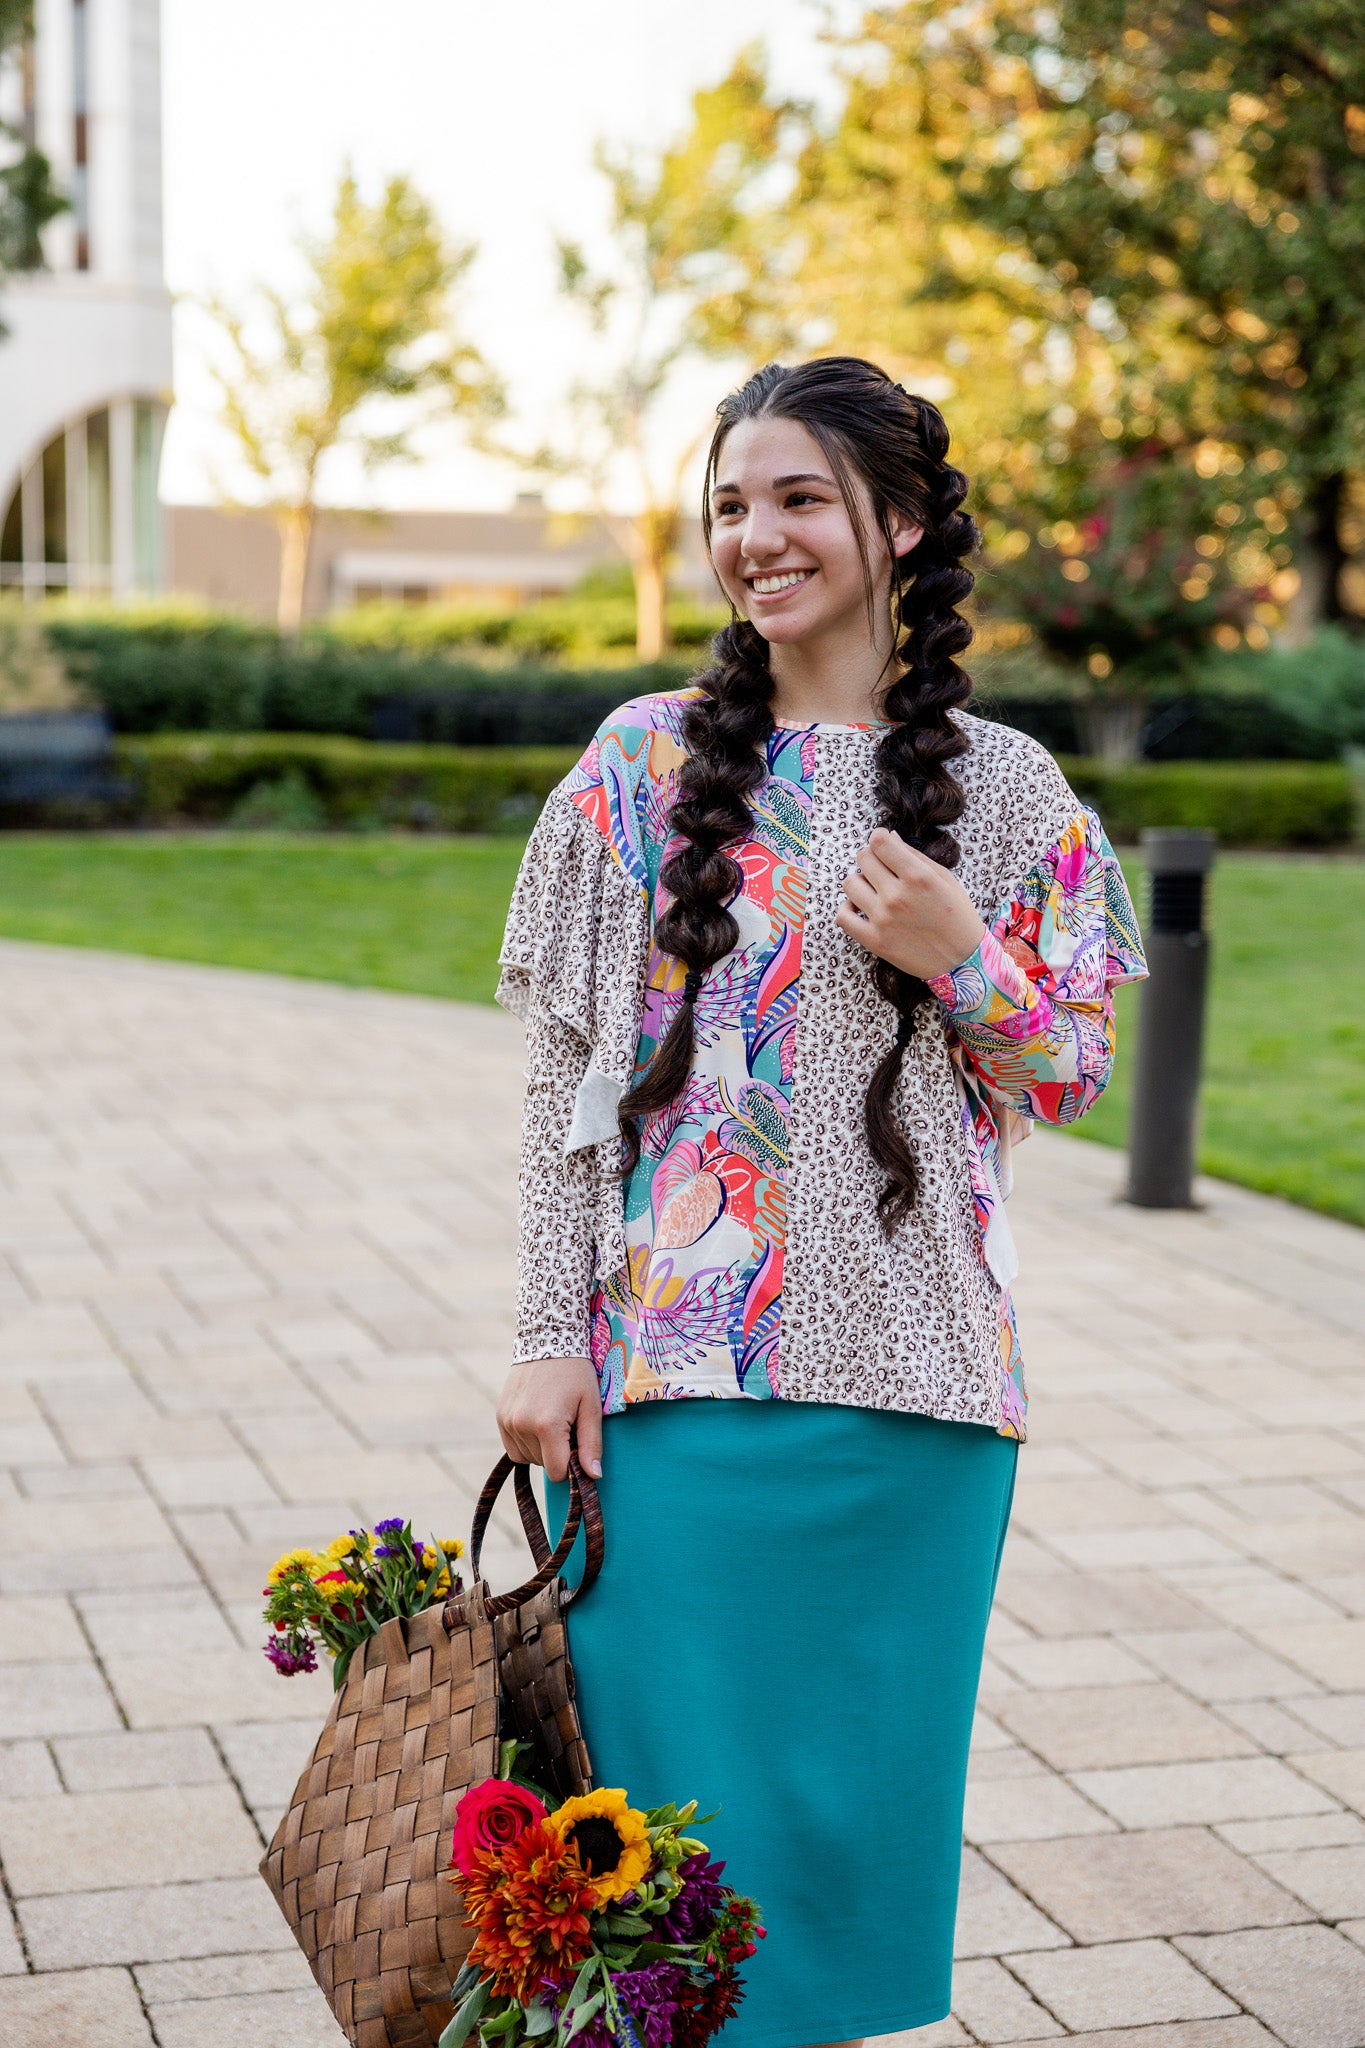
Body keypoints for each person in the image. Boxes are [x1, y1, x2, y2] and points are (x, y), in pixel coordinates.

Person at [493, 356, 1147, 2048]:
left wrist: (962, 962)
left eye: (796, 497)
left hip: (913, 1411)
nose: (754, 536)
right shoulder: (640, 765)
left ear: (904, 521)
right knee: (658, 1901)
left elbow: (1067, 1075)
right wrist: (538, 1340)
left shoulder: (1006, 793)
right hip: (672, 1401)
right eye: (728, 503)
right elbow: (566, 1094)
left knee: (842, 1902)